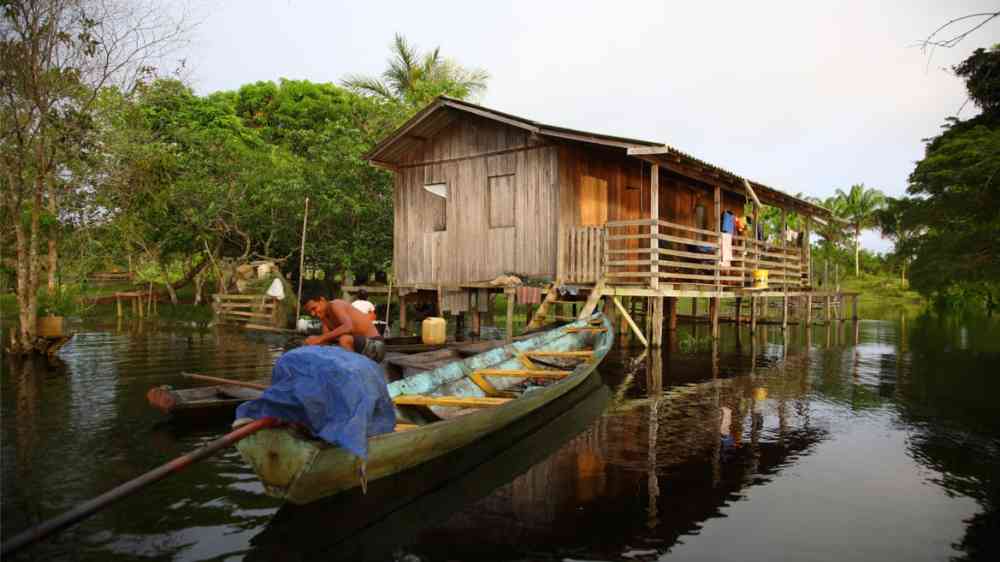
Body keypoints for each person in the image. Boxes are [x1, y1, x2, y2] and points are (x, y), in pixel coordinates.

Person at [303, 295, 385, 362]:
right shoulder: (324, 316)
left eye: (314, 308)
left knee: (344, 339)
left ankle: (353, 372)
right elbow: (326, 340)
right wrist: (314, 341)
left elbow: (348, 327)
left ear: (322, 300)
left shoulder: (335, 305)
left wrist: (320, 338)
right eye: (310, 311)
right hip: (359, 346)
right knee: (312, 340)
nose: (313, 314)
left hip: (376, 346)